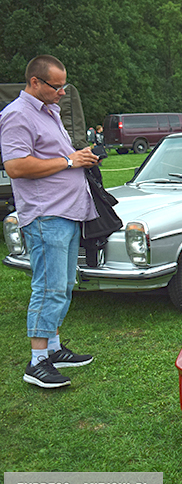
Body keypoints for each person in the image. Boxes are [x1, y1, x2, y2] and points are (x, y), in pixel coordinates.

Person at [0, 55, 98, 388]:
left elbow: (55, 158)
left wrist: (80, 160)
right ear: (35, 83)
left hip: (67, 211)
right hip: (45, 215)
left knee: (64, 285)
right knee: (48, 289)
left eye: (64, 85)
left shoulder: (49, 111)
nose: (62, 92)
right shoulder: (17, 115)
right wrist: (71, 160)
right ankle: (37, 361)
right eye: (57, 86)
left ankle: (53, 348)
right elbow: (15, 167)